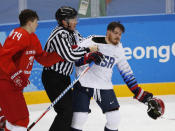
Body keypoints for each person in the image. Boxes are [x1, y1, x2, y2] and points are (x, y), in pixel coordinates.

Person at [71, 22, 165, 131]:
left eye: (120, 34)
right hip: (84, 84)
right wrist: (88, 57)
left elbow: (126, 72)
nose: (118, 36)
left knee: (114, 119)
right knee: (79, 119)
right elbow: (74, 58)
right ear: (108, 32)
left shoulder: (118, 48)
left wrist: (141, 95)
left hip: (103, 86)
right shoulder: (91, 40)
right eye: (115, 33)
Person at [0, 9, 65, 131]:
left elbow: (43, 59)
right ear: (30, 22)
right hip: (7, 82)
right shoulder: (19, 35)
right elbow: (3, 57)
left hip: (14, 85)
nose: (37, 24)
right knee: (20, 120)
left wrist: (62, 55)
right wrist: (16, 76)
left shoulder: (32, 37)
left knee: (14, 120)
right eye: (36, 22)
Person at [41, 6, 103, 131]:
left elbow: (85, 43)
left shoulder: (74, 33)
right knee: (65, 112)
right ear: (64, 21)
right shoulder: (59, 34)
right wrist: (88, 50)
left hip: (63, 78)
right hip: (52, 78)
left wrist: (102, 45)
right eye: (73, 19)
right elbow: (70, 55)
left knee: (71, 111)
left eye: (76, 18)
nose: (76, 21)